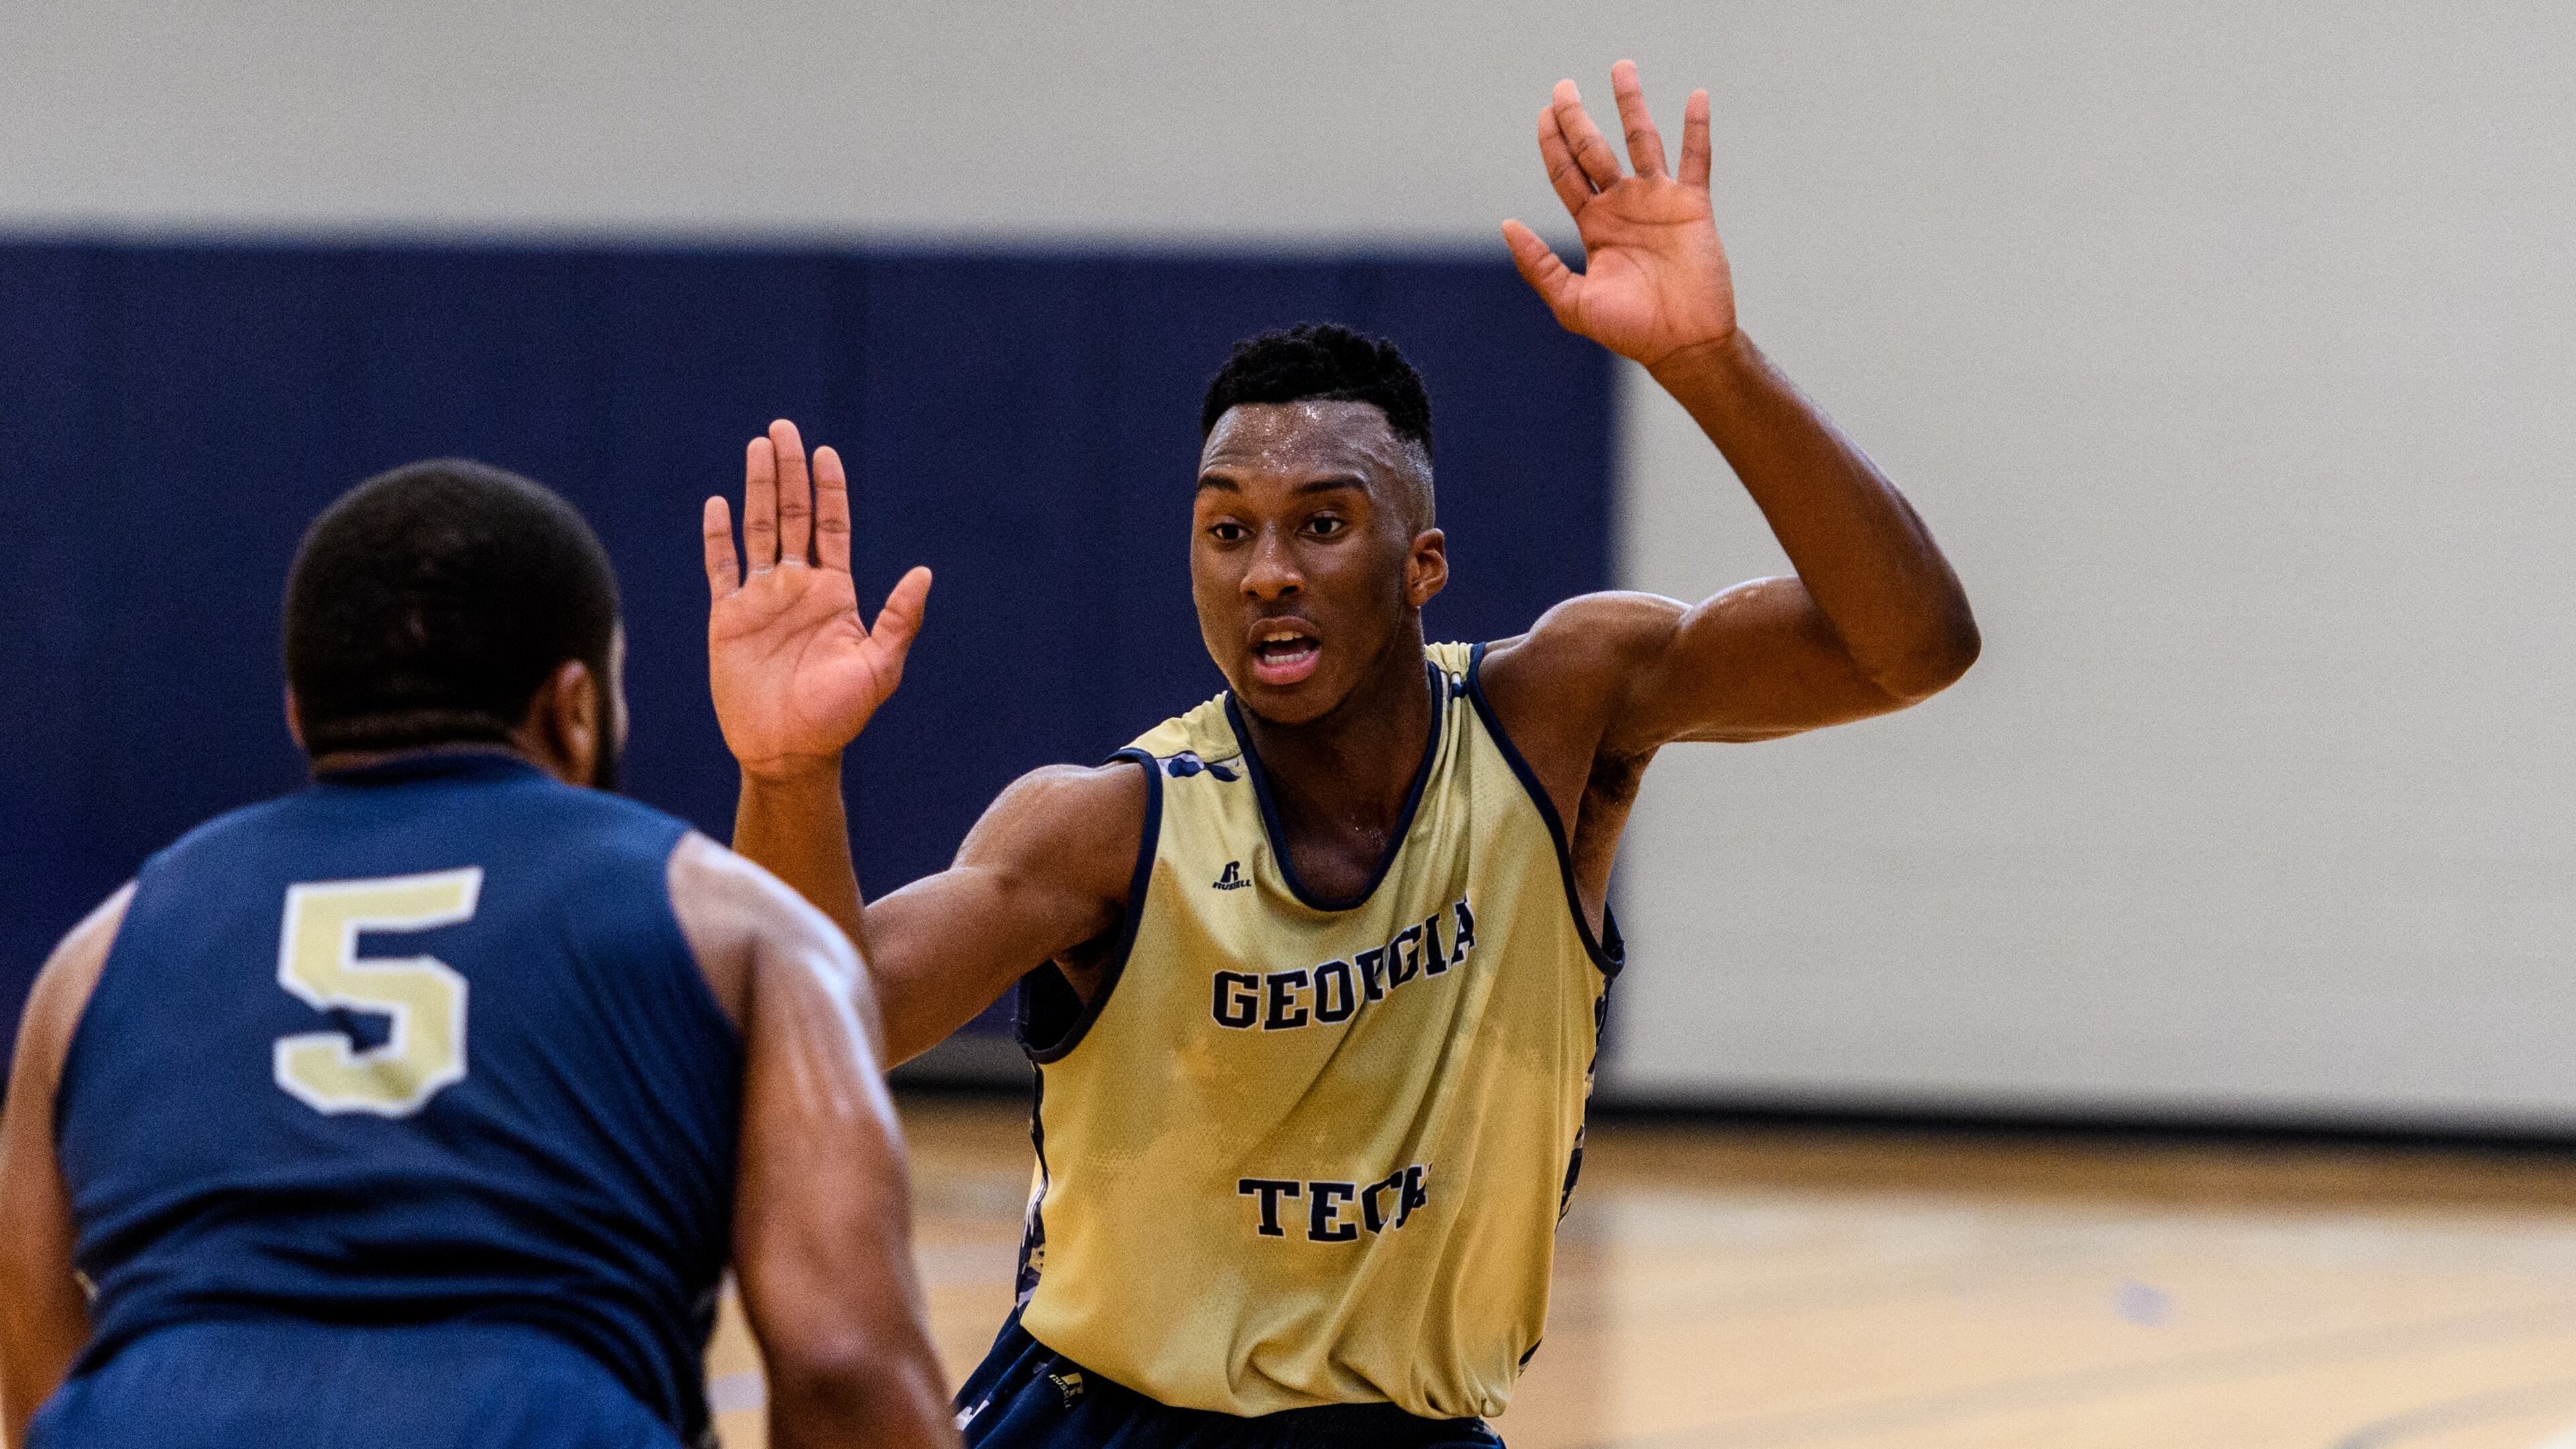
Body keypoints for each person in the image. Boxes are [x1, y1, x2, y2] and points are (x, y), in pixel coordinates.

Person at [700, 61, 1979, 1448]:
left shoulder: (1555, 715)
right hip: (1111, 1423)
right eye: (1226, 527)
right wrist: (788, 773)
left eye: (1321, 523)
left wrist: (1704, 362)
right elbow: (818, 1030)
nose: (1265, 572)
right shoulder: (1105, 828)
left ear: (1421, 564)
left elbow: (1910, 648)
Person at [0, 461, 959, 1449]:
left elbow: (42, 1387)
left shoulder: (92, 960)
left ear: (301, 714)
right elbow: (846, 1374)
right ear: (575, 708)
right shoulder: (736, 925)